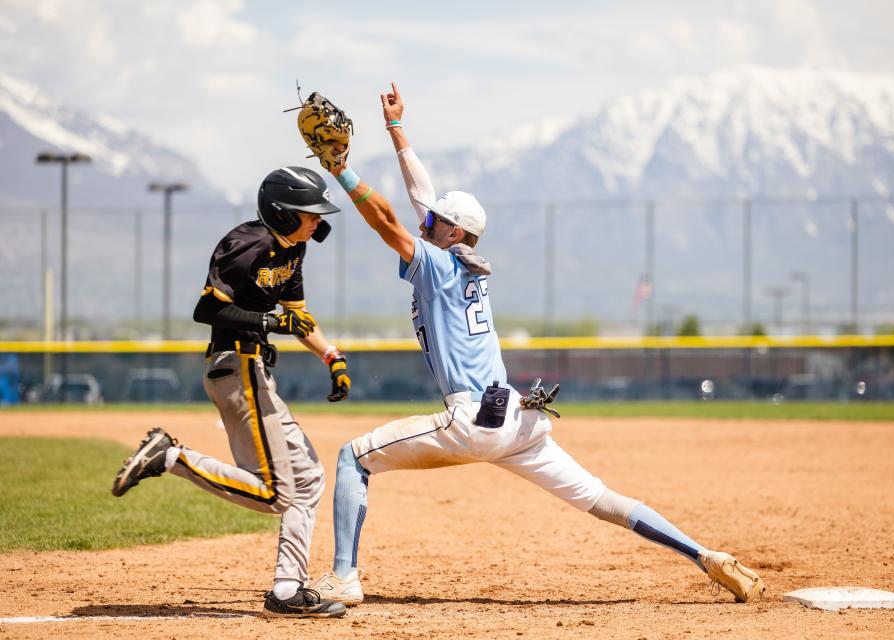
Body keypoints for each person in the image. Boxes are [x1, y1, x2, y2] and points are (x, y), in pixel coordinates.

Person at [308, 84, 765, 606]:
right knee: (602, 499)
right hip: (518, 420)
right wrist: (395, 130)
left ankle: (344, 577)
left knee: (352, 458)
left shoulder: (435, 264)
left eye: (434, 221)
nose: (423, 221)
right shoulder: (457, 260)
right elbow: (421, 198)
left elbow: (388, 220)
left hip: (472, 420)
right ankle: (705, 556)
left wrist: (341, 168)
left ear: (452, 233)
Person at [111, 166, 351, 619]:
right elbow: (207, 309)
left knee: (309, 480)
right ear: (282, 214)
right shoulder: (249, 244)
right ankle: (171, 457)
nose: (317, 221)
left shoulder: (293, 250)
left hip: (255, 371)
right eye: (310, 214)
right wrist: (268, 323)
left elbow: (297, 317)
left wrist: (331, 357)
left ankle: (286, 590)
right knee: (277, 494)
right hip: (235, 368)